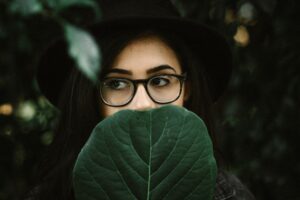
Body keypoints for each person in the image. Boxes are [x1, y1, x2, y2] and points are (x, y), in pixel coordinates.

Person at [28, 0, 256, 199]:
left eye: (160, 81)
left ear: (186, 89)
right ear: (91, 95)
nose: (142, 104)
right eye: (116, 83)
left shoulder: (228, 195)